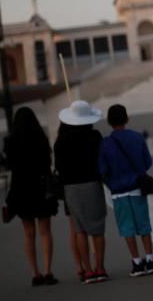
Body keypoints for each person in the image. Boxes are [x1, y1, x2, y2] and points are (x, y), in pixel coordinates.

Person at [99, 104, 153, 277]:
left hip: (118, 191)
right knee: (144, 224)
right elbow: (147, 162)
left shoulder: (106, 143)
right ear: (126, 118)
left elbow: (102, 170)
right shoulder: (137, 137)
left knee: (127, 228)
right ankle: (150, 259)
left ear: (109, 121)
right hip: (137, 188)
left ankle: (137, 262)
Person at [55, 101, 109, 284]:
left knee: (80, 230)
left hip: (71, 188)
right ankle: (100, 267)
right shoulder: (94, 136)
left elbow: (59, 167)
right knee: (98, 229)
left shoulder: (60, 140)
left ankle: (87, 270)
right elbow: (102, 159)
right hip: (92, 184)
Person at [4, 106, 59, 286]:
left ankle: (35, 274)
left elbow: (10, 166)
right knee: (45, 232)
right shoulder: (40, 138)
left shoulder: (10, 142)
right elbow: (47, 163)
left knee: (28, 234)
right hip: (41, 188)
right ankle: (48, 270)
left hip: (21, 189)